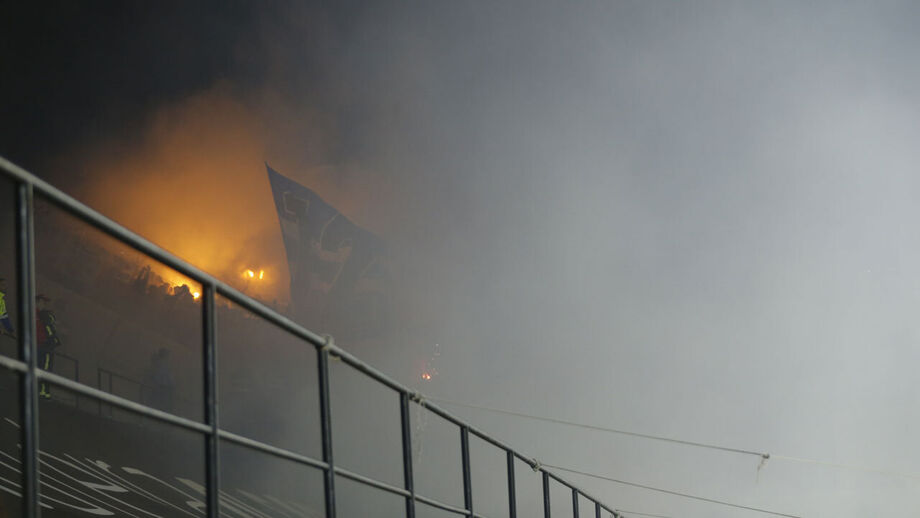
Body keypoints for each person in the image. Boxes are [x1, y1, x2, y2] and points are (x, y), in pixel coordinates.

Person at [35, 295, 61, 399]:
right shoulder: (39, 314)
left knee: (42, 367)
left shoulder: (42, 314)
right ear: (38, 302)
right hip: (44, 345)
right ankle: (43, 392)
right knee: (45, 368)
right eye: (43, 302)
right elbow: (48, 328)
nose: (44, 304)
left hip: (41, 345)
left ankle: (43, 392)